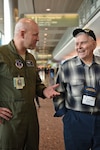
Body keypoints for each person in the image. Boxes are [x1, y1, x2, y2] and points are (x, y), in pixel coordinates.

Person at [0, 18, 60, 150]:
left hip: (30, 117)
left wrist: (44, 91)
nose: (37, 38)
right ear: (22, 33)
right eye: (35, 34)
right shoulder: (2, 54)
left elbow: (37, 83)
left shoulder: (31, 58)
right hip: (9, 120)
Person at [53, 28, 100, 150]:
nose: (79, 47)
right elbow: (58, 92)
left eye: (83, 43)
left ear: (93, 44)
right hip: (76, 120)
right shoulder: (67, 67)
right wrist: (66, 116)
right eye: (76, 44)